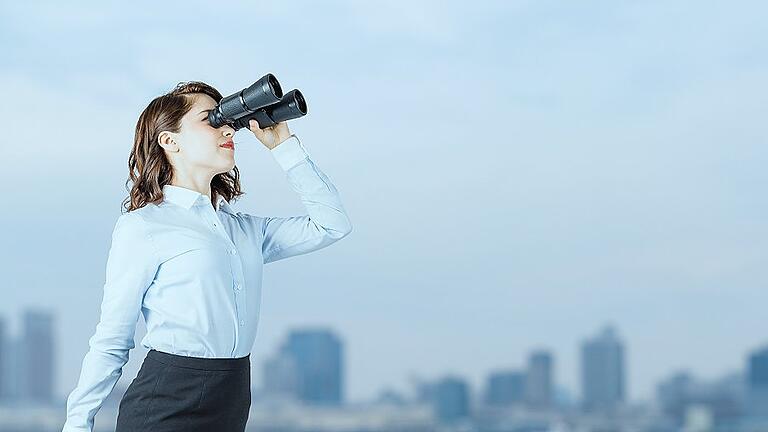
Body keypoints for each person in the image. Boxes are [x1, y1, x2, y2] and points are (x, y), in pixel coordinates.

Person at [61, 81, 353, 432]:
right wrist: (77, 425)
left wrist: (284, 147)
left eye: (226, 118)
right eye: (211, 119)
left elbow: (332, 225)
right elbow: (112, 339)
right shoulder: (143, 227)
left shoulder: (244, 230)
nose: (228, 127)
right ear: (170, 141)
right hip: (166, 401)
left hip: (231, 397)